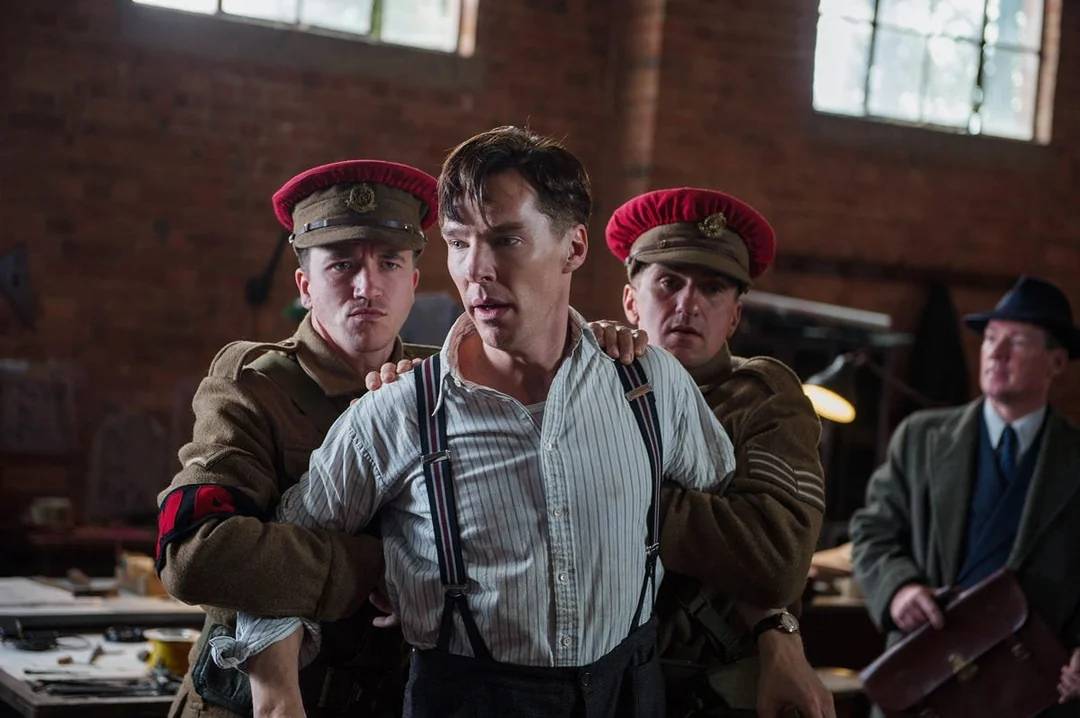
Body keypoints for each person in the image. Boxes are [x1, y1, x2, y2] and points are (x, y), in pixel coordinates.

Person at [214, 126, 738, 717]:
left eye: (507, 239)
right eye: (459, 242)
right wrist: (277, 692)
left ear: (574, 248)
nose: (476, 269)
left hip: (630, 692)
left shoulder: (650, 385)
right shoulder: (398, 412)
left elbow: (729, 511)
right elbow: (285, 550)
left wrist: (776, 632)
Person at [155, 159, 440, 717]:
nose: (367, 286)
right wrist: (379, 566)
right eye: (341, 266)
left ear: (413, 282)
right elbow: (195, 553)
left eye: (389, 263)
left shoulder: (444, 385)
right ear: (305, 287)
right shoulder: (254, 385)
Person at [605, 188, 834, 718]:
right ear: (630, 300)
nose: (688, 304)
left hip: (699, 685)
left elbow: (775, 560)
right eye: (669, 282)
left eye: (712, 289)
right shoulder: (586, 387)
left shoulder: (762, 397)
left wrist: (614, 492)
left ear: (733, 317)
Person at [850, 275, 1080, 714]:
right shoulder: (921, 439)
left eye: (1017, 340)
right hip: (927, 676)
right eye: (991, 338)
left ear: (1056, 362)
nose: (995, 351)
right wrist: (899, 589)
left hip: (1034, 689)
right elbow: (872, 529)